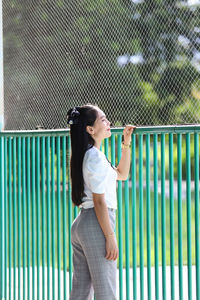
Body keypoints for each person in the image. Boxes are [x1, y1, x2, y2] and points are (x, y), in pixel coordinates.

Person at [67, 104, 135, 300]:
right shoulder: (94, 158)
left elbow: (121, 174)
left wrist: (126, 143)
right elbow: (99, 202)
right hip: (96, 224)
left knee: (81, 291)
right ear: (90, 129)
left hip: (82, 224)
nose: (108, 123)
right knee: (105, 291)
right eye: (103, 120)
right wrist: (110, 236)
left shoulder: (90, 155)